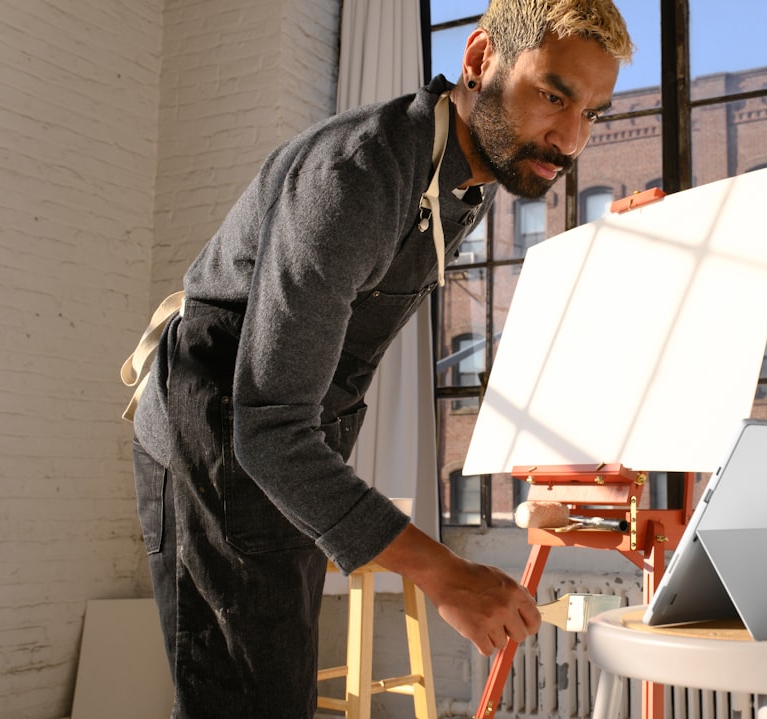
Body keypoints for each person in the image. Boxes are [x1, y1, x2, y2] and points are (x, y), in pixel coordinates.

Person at [124, 0, 633, 716]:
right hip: (218, 431)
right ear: (482, 58)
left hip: (289, 449)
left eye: (594, 113)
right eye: (554, 95)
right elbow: (266, 424)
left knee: (262, 694)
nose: (572, 138)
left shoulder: (475, 173)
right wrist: (445, 573)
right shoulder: (358, 176)